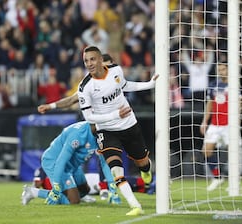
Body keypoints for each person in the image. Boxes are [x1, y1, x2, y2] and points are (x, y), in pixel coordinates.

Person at [80, 46, 158, 215]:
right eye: (86, 61)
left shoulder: (116, 70)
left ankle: (146, 172)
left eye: (92, 59)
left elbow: (125, 85)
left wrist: (150, 84)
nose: (89, 63)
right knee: (116, 170)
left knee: (143, 163)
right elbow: (89, 118)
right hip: (107, 131)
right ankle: (135, 205)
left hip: (129, 125)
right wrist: (114, 114)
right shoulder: (85, 87)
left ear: (101, 60)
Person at [21, 121, 121, 206]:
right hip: (54, 161)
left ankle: (73, 195)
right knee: (74, 200)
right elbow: (61, 161)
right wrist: (56, 188)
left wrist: (112, 188)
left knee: (85, 190)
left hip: (72, 165)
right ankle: (33, 192)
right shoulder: (77, 134)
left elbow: (104, 162)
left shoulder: (100, 135)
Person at [200, 62, 240, 191]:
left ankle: (234, 182)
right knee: (206, 150)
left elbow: (240, 103)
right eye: (219, 69)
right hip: (215, 124)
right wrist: (205, 121)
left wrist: (236, 121)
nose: (221, 71)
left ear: (229, 70)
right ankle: (217, 177)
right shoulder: (213, 85)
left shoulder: (235, 84)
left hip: (229, 124)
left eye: (223, 69)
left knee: (233, 152)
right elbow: (210, 104)